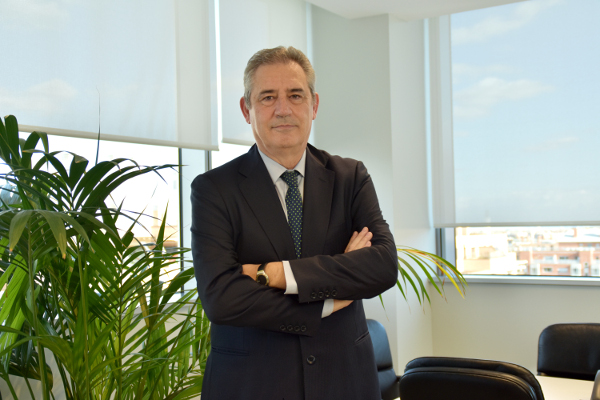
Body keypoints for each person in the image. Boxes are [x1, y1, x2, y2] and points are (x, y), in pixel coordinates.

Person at [191, 46, 398, 400]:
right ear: (246, 109)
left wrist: (274, 274)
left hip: (345, 382)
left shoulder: (350, 178)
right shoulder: (214, 190)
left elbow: (382, 267)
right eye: (268, 97)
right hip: (252, 386)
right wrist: (330, 299)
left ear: (314, 105)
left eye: (295, 95)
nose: (283, 109)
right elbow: (222, 299)